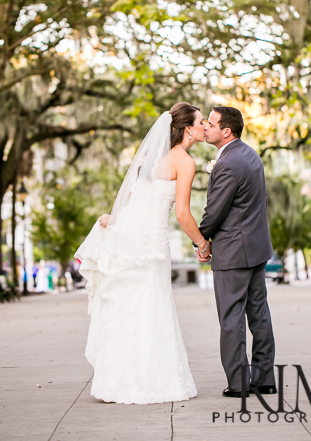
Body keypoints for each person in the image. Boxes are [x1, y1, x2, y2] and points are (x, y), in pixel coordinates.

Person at [75, 103, 208, 404]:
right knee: (151, 305)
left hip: (129, 238)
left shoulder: (150, 156)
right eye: (201, 122)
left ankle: (114, 382)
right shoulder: (184, 162)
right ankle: (151, 381)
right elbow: (184, 215)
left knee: (127, 306)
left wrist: (116, 221)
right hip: (151, 244)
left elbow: (131, 200)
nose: (204, 127)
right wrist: (202, 243)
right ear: (188, 129)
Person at [195, 106, 276, 398]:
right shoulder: (250, 154)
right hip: (257, 248)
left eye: (211, 123)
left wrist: (200, 239)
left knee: (231, 318)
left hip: (233, 251)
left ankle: (240, 383)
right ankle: (264, 378)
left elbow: (215, 210)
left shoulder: (228, 163)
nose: (205, 127)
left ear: (226, 131)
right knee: (259, 314)